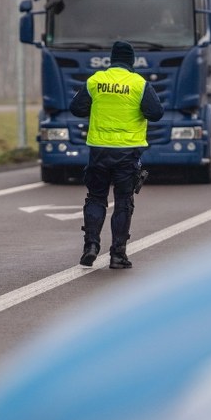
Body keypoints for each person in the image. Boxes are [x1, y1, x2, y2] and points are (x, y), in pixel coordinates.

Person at [70, 40, 164, 269]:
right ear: (131, 61)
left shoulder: (96, 81)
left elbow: (77, 108)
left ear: (111, 60)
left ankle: (91, 246)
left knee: (95, 198)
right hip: (127, 153)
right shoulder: (138, 84)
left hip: (99, 151)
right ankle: (118, 255)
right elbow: (156, 113)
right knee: (123, 202)